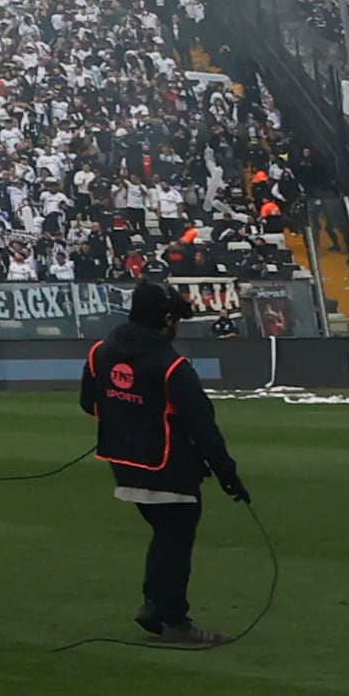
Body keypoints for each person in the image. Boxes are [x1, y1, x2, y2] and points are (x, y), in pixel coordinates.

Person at [81, 277, 248, 646]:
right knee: (175, 536)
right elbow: (202, 425)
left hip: (123, 464)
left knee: (165, 534)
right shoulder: (171, 365)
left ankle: (156, 606)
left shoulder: (101, 351)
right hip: (168, 465)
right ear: (166, 318)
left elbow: (89, 403)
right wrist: (228, 474)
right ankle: (172, 616)